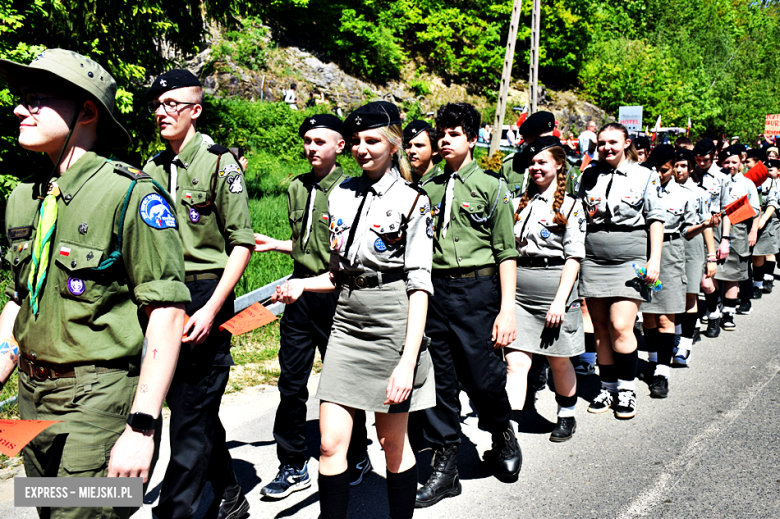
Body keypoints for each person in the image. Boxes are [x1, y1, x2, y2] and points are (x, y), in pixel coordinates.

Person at [0, 49, 190, 519]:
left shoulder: (132, 193)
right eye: (20, 99)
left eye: (36, 100)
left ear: (86, 111)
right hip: (33, 399)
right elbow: (19, 297)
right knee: (46, 508)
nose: (20, 110)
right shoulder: (24, 197)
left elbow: (166, 313)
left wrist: (142, 429)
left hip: (103, 401)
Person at [272, 100, 436, 519]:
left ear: (393, 144)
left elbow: (419, 288)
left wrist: (407, 361)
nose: (361, 149)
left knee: (391, 444)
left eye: (371, 140)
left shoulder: (413, 202)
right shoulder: (342, 194)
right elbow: (337, 274)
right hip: (346, 321)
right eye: (357, 142)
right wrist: (299, 285)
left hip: (392, 323)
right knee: (329, 444)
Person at [143, 69, 255, 519]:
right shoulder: (151, 167)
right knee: (189, 407)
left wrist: (212, 308)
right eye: (157, 105)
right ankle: (229, 490)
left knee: (190, 416)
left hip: (205, 294)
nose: (161, 112)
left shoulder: (218, 163)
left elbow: (241, 243)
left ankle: (175, 512)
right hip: (158, 296)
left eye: (172, 105)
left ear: (195, 110)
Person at [253, 115, 370, 499]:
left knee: (342, 384)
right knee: (291, 383)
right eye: (307, 140)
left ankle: (356, 453)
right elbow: (306, 242)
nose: (311, 147)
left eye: (320, 141)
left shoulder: (353, 190)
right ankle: (292, 464)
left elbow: (342, 253)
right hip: (298, 293)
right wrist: (277, 244)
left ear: (340, 146)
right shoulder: (297, 187)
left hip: (337, 293)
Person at [416, 103, 521, 508]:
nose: (444, 140)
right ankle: (446, 466)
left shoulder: (492, 188)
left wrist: (507, 309)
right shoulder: (427, 191)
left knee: (483, 378)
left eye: (453, 134)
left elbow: (505, 253)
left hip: (478, 292)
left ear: (472, 139)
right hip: (436, 292)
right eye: (440, 133)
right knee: (439, 382)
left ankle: (501, 432)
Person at [578, 123, 665, 419]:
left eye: (613, 142)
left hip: (630, 259)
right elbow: (580, 217)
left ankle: (627, 389)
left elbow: (655, 220)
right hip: (593, 258)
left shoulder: (645, 175)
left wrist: (654, 261)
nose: (606, 147)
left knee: (620, 325)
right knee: (600, 329)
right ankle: (607, 386)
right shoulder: (589, 175)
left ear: (626, 142)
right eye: (601, 142)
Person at [503, 136, 586, 442]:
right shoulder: (516, 204)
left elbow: (574, 258)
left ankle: (566, 413)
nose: (536, 167)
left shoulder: (571, 205)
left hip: (554, 289)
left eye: (542, 162)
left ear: (558, 164)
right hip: (520, 291)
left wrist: (560, 302)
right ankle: (507, 434)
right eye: (533, 162)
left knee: (558, 359)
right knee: (516, 362)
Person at [639, 145, 698, 399]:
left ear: (674, 168)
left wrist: (706, 225)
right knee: (649, 315)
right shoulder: (642, 187)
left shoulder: (685, 194)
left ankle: (662, 372)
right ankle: (652, 360)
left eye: (663, 170)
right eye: (655, 169)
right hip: (642, 249)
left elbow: (688, 229)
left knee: (665, 316)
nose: (658, 174)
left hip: (671, 251)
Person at [671, 148, 720, 365]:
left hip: (692, 246)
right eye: (676, 165)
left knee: (690, 295)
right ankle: (675, 334)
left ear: (691, 168)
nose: (679, 170)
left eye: (683, 166)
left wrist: (711, 256)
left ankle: (685, 345)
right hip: (671, 246)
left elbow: (707, 225)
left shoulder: (699, 193)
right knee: (672, 295)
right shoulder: (665, 190)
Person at [713, 146, 760, 331]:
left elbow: (756, 209)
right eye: (727, 162)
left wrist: (753, 231)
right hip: (716, 229)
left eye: (734, 162)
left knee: (733, 272)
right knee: (714, 270)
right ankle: (715, 305)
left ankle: (729, 312)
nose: (730, 165)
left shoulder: (747, 183)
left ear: (741, 161)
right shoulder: (718, 180)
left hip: (738, 229)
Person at [500, 111, 556, 198]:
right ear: (526, 138)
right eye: (540, 139)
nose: (546, 144)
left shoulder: (563, 166)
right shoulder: (511, 165)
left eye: (550, 139)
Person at [746, 148, 776, 300]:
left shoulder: (768, 180)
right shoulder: (743, 179)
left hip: (763, 221)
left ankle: (758, 284)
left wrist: (763, 219)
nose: (746, 165)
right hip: (746, 220)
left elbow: (772, 202)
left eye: (748, 162)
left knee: (759, 254)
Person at [760, 159, 780, 293]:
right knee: (770, 249)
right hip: (768, 219)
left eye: (771, 170)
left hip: (777, 218)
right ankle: (767, 278)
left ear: (779, 171)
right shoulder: (763, 183)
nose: (769, 173)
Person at [403, 120, 441, 184]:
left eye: (419, 145)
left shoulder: (443, 183)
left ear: (434, 150)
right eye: (408, 146)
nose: (412, 151)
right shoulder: (402, 182)